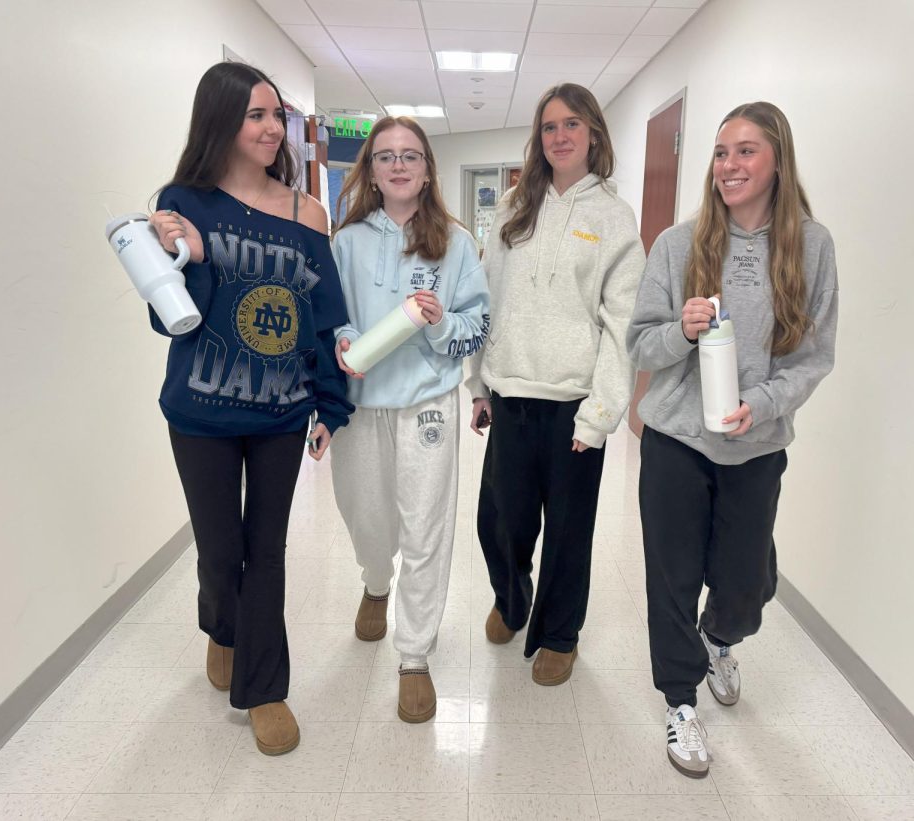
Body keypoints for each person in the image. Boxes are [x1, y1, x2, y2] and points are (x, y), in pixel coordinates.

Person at [145, 62, 353, 756]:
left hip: (279, 414)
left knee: (265, 552)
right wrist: (192, 255)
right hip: (199, 412)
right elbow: (169, 317)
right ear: (221, 121)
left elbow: (324, 318)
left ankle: (265, 688)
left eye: (275, 116)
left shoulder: (306, 211)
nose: (270, 129)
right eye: (254, 115)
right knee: (219, 549)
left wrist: (330, 402)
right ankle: (222, 626)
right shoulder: (182, 201)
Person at [627, 101, 839, 777]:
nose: (729, 165)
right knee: (672, 576)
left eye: (745, 151)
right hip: (675, 441)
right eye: (721, 152)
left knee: (746, 582)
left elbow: (813, 356)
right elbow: (641, 344)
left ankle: (720, 637)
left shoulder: (811, 245)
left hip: (756, 443)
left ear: (778, 159)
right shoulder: (678, 244)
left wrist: (763, 402)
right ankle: (680, 700)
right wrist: (681, 331)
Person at [468, 83, 645, 686]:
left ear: (594, 133)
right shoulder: (516, 205)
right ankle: (513, 600)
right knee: (501, 521)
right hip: (512, 394)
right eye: (549, 127)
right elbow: (486, 300)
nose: (560, 136)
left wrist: (599, 415)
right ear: (538, 138)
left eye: (572, 124)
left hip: (573, 406)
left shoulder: (614, 218)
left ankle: (561, 634)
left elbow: (622, 326)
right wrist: (479, 386)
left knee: (569, 530)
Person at [329, 116, 489, 722]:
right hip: (362, 406)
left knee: (426, 529)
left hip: (427, 407)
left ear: (427, 170)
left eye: (411, 156)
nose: (399, 166)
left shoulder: (455, 242)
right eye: (386, 156)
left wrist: (441, 321)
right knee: (368, 520)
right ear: (370, 169)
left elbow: (477, 327)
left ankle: (414, 656)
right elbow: (331, 316)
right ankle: (375, 580)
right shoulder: (345, 243)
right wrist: (346, 340)